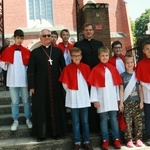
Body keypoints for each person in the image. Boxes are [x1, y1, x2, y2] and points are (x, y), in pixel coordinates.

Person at [27, 29, 67, 142]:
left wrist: (64, 84)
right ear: (40, 37)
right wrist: (32, 86)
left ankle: (56, 132)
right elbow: (30, 71)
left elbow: (63, 68)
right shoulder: (35, 52)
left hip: (56, 85)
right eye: (44, 35)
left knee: (56, 107)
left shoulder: (57, 51)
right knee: (41, 109)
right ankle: (41, 133)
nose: (47, 37)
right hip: (40, 87)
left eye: (49, 35)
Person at [88, 46, 122, 150]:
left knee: (113, 119)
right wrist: (94, 99)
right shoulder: (95, 70)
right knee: (103, 120)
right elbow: (93, 86)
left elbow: (116, 85)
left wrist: (118, 98)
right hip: (101, 98)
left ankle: (116, 139)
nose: (104, 57)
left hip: (112, 98)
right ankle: (105, 140)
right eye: (102, 55)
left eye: (106, 55)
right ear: (99, 56)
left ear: (109, 56)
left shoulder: (113, 68)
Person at [59, 47, 93, 150]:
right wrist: (71, 91)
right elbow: (64, 84)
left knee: (85, 121)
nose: (76, 57)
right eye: (74, 56)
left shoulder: (86, 67)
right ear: (71, 57)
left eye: (78, 56)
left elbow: (89, 82)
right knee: (76, 122)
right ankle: (77, 142)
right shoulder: (67, 69)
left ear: (81, 56)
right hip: (73, 98)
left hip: (84, 97)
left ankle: (86, 141)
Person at [0, 29, 32, 131]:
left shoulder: (27, 51)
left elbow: (29, 66)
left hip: (23, 80)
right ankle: (15, 120)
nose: (19, 40)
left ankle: (28, 119)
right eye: (18, 38)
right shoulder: (8, 50)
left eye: (21, 38)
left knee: (26, 101)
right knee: (14, 101)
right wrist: (5, 62)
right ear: (14, 38)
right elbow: (2, 63)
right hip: (12, 79)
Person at [74, 22, 104, 132]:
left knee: (99, 99)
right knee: (87, 100)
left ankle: (100, 126)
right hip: (84, 77)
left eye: (90, 29)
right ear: (83, 32)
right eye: (86, 30)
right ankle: (90, 126)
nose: (88, 32)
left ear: (93, 31)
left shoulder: (99, 44)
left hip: (98, 75)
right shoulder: (78, 45)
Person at [119, 54, 144, 148]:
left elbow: (140, 89)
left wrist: (141, 101)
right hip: (127, 102)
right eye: (127, 63)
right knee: (127, 121)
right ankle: (129, 139)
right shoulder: (122, 75)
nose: (130, 64)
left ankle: (138, 139)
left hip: (137, 101)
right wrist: (121, 102)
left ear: (134, 63)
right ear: (124, 64)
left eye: (131, 62)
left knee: (138, 121)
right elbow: (121, 90)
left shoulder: (137, 74)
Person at [136, 40, 150, 146]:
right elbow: (140, 82)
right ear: (143, 51)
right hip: (147, 95)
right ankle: (149, 136)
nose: (149, 51)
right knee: (148, 117)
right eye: (147, 49)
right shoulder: (140, 64)